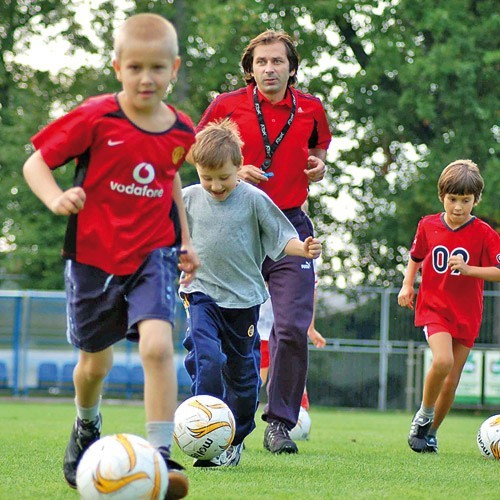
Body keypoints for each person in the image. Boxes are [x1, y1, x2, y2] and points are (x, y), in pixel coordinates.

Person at [23, 13, 199, 499]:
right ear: (118, 65)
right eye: (136, 67)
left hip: (153, 255)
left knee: (157, 347)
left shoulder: (182, 130)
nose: (147, 78)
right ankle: (86, 424)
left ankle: (160, 460)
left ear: (174, 68)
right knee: (93, 367)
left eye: (158, 68)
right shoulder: (97, 117)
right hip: (94, 260)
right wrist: (56, 198)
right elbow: (35, 162)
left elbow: (171, 182)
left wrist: (185, 239)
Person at [196, 29, 332, 454]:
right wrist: (237, 172)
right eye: (261, 63)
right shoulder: (225, 105)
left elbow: (320, 147)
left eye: (277, 62)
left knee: (292, 327)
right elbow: (196, 152)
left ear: (292, 67)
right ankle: (214, 415)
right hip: (235, 222)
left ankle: (280, 424)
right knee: (221, 331)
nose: (269, 69)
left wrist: (319, 165)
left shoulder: (311, 108)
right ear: (250, 69)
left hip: (291, 225)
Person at [179, 118, 322, 466]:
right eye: (206, 177)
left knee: (244, 379)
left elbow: (280, 235)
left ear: (239, 168)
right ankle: (206, 427)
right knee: (207, 357)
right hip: (201, 295)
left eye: (224, 178)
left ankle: (235, 438)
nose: (214, 186)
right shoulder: (188, 199)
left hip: (243, 301)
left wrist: (301, 249)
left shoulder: (253, 199)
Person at [398, 159, 500, 453]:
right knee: (442, 362)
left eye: (465, 201)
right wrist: (407, 285)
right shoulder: (428, 225)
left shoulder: (483, 233)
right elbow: (416, 256)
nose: (458, 207)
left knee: (452, 381)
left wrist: (471, 270)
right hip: (434, 308)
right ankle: (423, 416)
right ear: (442, 196)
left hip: (467, 315)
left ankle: (430, 433)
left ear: (475, 200)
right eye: (452, 199)